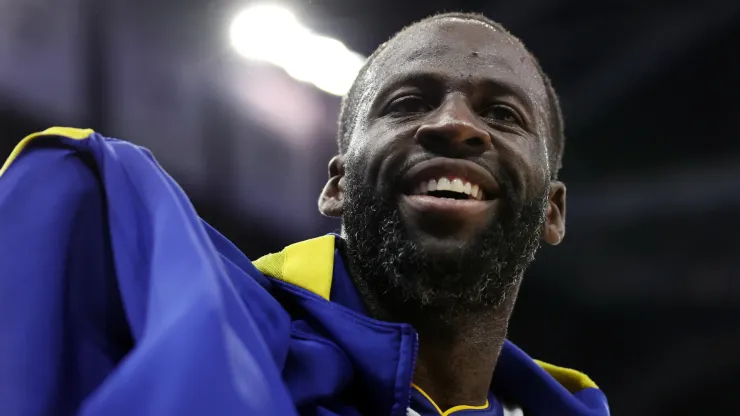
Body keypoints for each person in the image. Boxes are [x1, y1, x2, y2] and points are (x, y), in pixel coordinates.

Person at [0, 12, 609, 416]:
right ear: (338, 186)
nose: (453, 124)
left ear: (552, 212)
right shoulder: (160, 291)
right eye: (406, 103)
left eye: (503, 114)